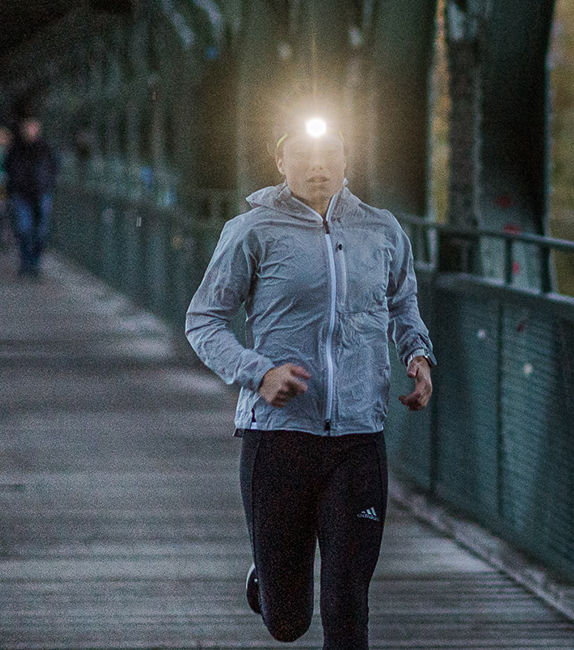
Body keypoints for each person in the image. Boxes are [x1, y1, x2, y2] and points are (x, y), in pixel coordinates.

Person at [185, 119, 434, 649]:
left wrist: (417, 353)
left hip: (358, 440)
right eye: (302, 154)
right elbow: (203, 320)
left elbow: (402, 303)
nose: (317, 166)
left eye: (330, 153)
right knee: (289, 622)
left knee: (347, 606)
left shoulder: (382, 230)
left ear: (348, 159)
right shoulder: (252, 232)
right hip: (279, 439)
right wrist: (258, 373)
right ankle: (269, 583)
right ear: (280, 162)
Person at [4, 118, 59, 277]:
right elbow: (8, 167)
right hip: (21, 194)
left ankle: (35, 263)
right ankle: (26, 263)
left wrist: (48, 184)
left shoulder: (44, 148)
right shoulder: (16, 149)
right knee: (24, 229)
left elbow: (53, 167)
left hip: (41, 194)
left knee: (41, 231)